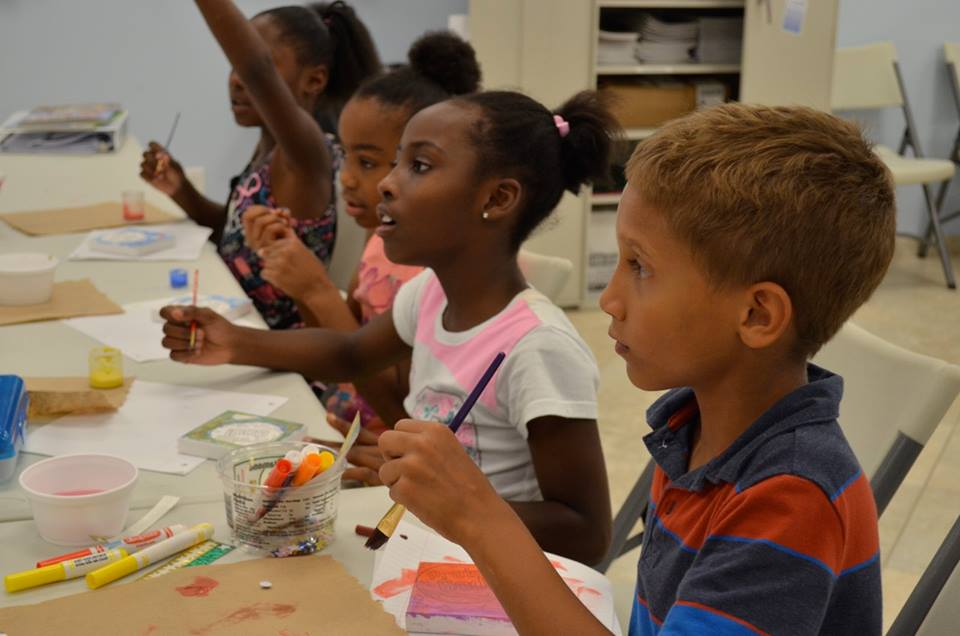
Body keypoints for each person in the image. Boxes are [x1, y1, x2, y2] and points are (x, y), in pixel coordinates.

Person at [375, 103, 895, 634]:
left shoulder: (790, 498)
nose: (610, 300)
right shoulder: (693, 429)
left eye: (640, 266)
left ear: (756, 315)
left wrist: (478, 517)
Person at [161, 89, 619, 563]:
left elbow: (585, 533)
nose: (387, 183)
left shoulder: (536, 346)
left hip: (491, 580)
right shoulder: (431, 293)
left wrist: (446, 497)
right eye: (396, 162)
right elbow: (350, 354)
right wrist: (232, 342)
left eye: (419, 166)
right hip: (422, 543)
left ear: (497, 198)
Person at [241, 32, 481, 438]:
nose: (347, 178)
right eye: (347, 157)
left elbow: (401, 411)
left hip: (380, 447)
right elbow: (343, 341)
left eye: (367, 162)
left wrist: (315, 287)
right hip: (341, 417)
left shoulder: (422, 275)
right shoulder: (380, 242)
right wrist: (294, 274)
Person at [140, 0, 380, 329]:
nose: (237, 80)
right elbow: (234, 237)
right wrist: (181, 190)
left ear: (314, 80)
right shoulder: (270, 146)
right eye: (232, 68)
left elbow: (257, 70)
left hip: (285, 358)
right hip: (240, 325)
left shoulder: (306, 154)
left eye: (248, 66)